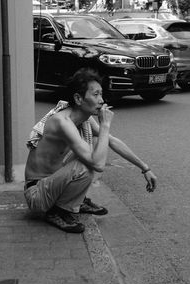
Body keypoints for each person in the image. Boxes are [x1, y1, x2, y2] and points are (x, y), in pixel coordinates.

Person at [24, 68, 157, 233]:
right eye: (95, 95)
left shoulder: (83, 118)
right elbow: (98, 165)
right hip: (37, 193)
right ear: (78, 99)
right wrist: (105, 125)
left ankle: (75, 200)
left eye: (101, 94)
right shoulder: (63, 121)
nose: (101, 100)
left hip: (51, 184)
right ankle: (58, 211)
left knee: (96, 142)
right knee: (87, 164)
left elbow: (112, 141)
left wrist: (145, 168)